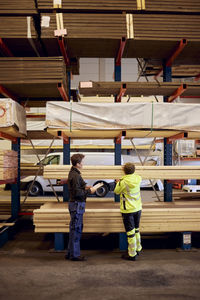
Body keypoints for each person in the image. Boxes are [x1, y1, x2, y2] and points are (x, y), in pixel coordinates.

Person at [66, 153, 97, 261]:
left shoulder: (75, 173)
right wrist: (90, 191)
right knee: (76, 229)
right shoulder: (75, 176)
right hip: (76, 204)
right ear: (78, 164)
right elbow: (78, 193)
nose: (83, 164)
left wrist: (87, 186)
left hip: (76, 204)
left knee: (74, 229)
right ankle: (75, 255)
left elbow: (81, 184)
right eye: (82, 162)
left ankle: (70, 253)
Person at [114, 162, 142, 261]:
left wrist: (118, 182)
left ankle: (132, 254)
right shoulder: (138, 178)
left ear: (124, 171)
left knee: (130, 233)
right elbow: (133, 175)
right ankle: (138, 248)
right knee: (136, 229)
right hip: (138, 208)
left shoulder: (123, 182)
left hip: (128, 210)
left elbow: (116, 191)